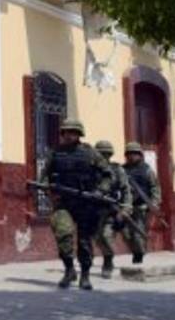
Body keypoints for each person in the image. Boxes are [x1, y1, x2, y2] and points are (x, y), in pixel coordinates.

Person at [40, 119, 118, 290]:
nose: (69, 135)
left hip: (86, 203)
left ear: (79, 134)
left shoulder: (91, 153)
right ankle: (69, 269)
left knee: (84, 241)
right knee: (63, 234)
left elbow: (108, 175)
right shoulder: (55, 153)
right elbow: (44, 176)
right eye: (66, 132)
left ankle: (85, 275)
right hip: (64, 202)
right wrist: (48, 190)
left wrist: (101, 191)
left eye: (73, 132)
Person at [92, 140, 132, 279]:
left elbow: (126, 191)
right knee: (97, 238)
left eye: (106, 154)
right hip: (93, 209)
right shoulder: (90, 170)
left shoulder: (117, 170)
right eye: (101, 154)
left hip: (110, 209)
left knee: (106, 236)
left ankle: (108, 261)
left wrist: (125, 209)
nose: (104, 157)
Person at [121, 142, 160, 264]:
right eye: (129, 153)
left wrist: (154, 203)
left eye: (135, 153)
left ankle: (138, 256)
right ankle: (136, 251)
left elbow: (155, 188)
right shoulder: (122, 170)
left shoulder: (147, 170)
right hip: (126, 206)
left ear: (140, 155)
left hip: (141, 206)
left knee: (138, 233)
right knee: (126, 234)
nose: (132, 156)